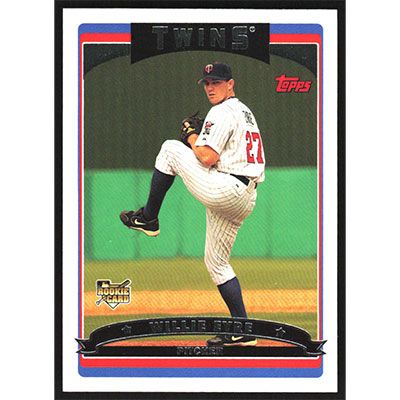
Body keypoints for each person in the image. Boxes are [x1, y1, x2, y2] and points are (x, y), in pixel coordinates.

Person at [120, 62, 265, 346]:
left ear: (231, 84)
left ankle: (148, 217)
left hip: (227, 187)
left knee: (169, 149)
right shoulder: (244, 112)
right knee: (217, 264)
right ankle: (242, 330)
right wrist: (197, 140)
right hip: (245, 195)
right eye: (207, 83)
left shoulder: (221, 111)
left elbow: (208, 157)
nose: (210, 87)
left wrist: (190, 136)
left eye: (217, 82)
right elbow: (216, 155)